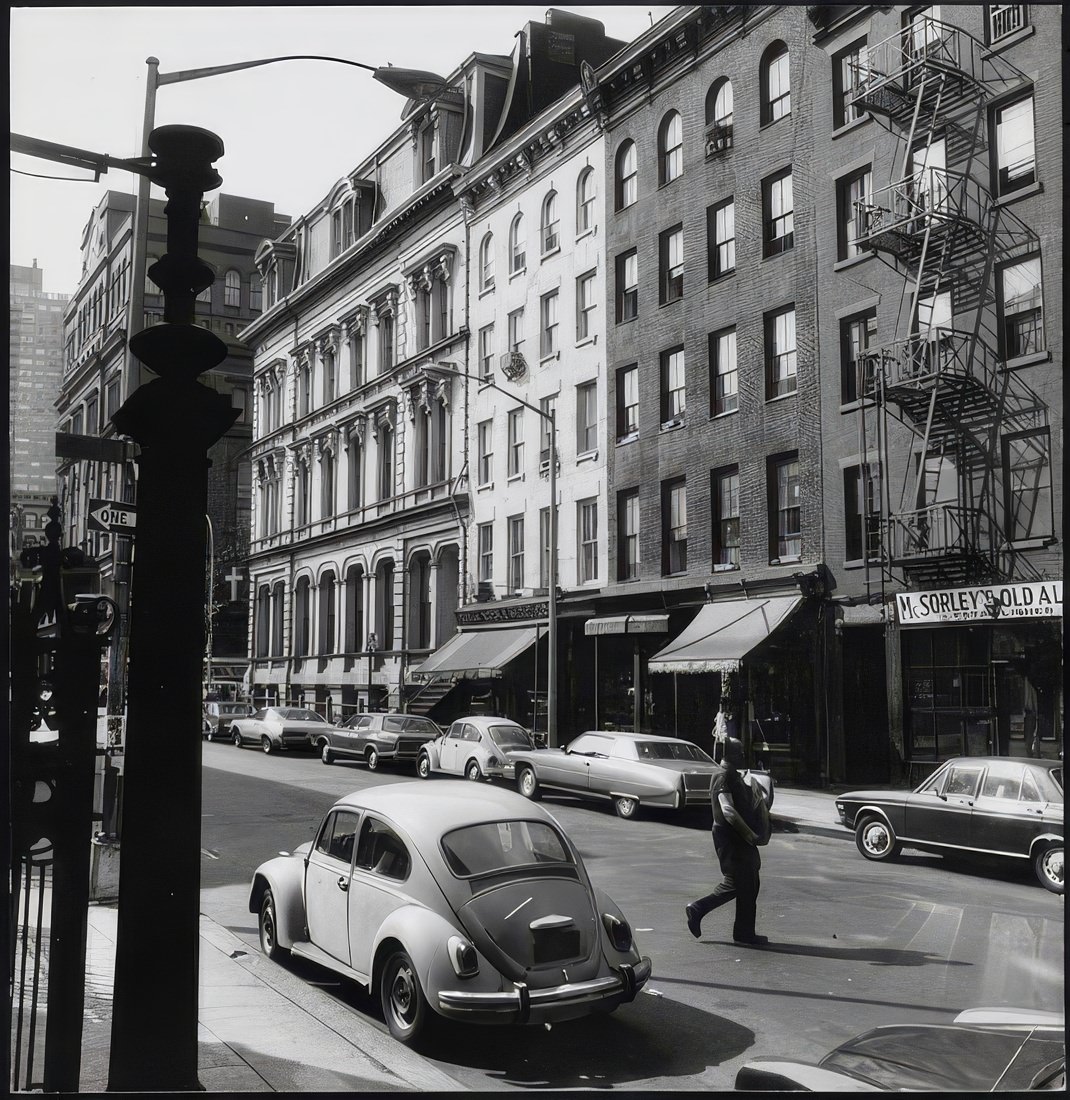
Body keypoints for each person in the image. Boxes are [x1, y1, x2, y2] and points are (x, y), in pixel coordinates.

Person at [686, 737, 770, 946]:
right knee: (737, 883)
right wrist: (749, 835)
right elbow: (729, 811)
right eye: (740, 753)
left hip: (738, 837)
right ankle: (698, 909)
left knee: (749, 883)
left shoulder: (733, 776)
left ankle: (743, 932)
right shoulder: (722, 777)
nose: (743, 756)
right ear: (732, 755)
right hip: (732, 838)